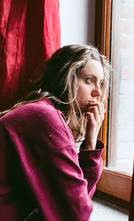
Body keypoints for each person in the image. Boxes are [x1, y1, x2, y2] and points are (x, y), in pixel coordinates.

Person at [0, 44, 110, 221]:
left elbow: (75, 202)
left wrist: (90, 143)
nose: (97, 91)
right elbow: (77, 214)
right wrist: (90, 149)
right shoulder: (45, 118)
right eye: (89, 80)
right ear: (66, 78)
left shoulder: (43, 112)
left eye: (101, 83)